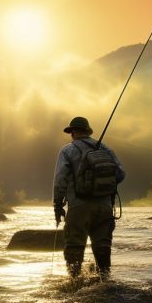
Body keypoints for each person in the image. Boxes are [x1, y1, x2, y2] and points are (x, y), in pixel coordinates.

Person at [53, 116, 125, 278]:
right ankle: (105, 280)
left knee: (74, 246)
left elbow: (60, 180)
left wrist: (58, 205)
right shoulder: (106, 149)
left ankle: (74, 281)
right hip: (105, 207)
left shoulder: (67, 150)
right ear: (88, 131)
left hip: (79, 207)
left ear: (72, 132)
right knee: (102, 247)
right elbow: (120, 174)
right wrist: (101, 185)